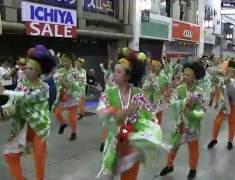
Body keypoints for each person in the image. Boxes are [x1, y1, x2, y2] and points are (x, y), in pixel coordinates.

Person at [96, 48, 168, 180]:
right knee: (107, 175)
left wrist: (147, 134)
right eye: (114, 71)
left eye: (118, 72)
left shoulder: (139, 93)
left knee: (130, 176)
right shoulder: (108, 93)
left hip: (132, 144)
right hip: (114, 143)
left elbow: (151, 116)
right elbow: (102, 114)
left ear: (128, 76)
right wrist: (124, 112)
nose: (114, 75)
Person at [2, 44, 56, 180]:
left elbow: (25, 99)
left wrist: (5, 91)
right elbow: (14, 103)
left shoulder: (44, 87)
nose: (26, 70)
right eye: (25, 67)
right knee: (10, 155)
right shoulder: (21, 85)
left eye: (30, 68)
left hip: (39, 126)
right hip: (22, 126)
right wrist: (7, 111)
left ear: (38, 71)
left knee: (39, 157)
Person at [159, 60, 207, 179]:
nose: (184, 77)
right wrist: (183, 103)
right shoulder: (179, 89)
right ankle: (169, 165)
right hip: (179, 124)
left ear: (195, 77)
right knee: (174, 146)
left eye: (187, 75)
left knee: (193, 148)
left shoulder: (199, 92)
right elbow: (172, 102)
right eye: (183, 74)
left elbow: (204, 108)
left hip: (192, 125)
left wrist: (191, 113)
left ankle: (193, 168)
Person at [208, 60, 235, 150]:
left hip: (234, 104)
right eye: (228, 70)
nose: (230, 72)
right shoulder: (222, 79)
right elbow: (210, 70)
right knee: (217, 121)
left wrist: (229, 78)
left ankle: (230, 141)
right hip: (224, 104)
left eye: (232, 71)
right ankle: (214, 139)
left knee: (232, 123)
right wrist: (221, 71)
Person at [53, 53, 80, 141]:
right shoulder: (60, 71)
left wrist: (64, 82)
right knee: (57, 113)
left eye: (67, 60)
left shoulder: (75, 72)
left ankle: (73, 132)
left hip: (72, 98)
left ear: (71, 61)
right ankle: (63, 124)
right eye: (64, 61)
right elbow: (55, 81)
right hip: (61, 97)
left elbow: (76, 87)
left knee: (72, 118)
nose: (65, 63)